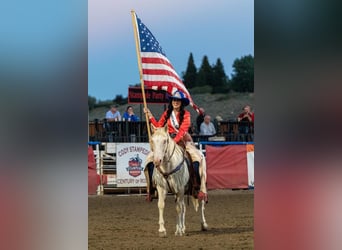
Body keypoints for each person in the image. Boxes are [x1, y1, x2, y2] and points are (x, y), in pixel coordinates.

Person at [143, 90, 207, 202]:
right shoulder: (167, 113)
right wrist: (150, 116)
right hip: (166, 141)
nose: (176, 102)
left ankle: (196, 186)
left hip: (182, 141)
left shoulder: (186, 114)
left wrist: (174, 141)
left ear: (182, 103)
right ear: (171, 101)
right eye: (174, 100)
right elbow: (159, 126)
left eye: (178, 100)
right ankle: (151, 188)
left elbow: (182, 130)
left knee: (196, 158)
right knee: (149, 160)